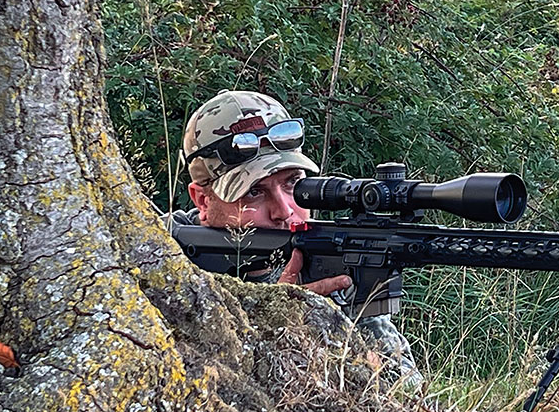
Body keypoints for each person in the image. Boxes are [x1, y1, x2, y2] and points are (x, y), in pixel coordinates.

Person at [169, 89, 422, 387]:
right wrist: (277, 320)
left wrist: (331, 330)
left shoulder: (327, 261)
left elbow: (404, 389)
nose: (285, 210)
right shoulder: (163, 255)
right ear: (202, 200)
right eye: (254, 192)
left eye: (293, 184)